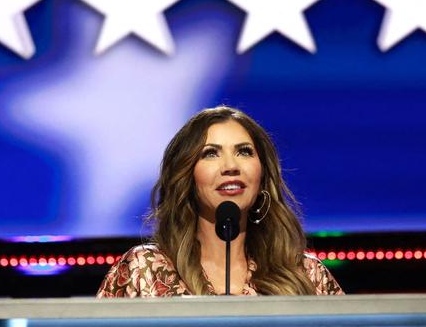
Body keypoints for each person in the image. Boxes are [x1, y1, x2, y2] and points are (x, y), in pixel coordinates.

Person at [97, 106, 343, 297]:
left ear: (262, 176)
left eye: (244, 151)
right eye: (211, 153)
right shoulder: (144, 270)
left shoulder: (306, 275)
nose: (231, 166)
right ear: (187, 177)